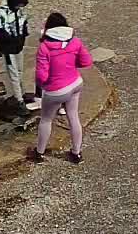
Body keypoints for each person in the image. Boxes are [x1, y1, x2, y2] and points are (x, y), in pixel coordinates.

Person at [29, 13, 94, 164]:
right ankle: (76, 153)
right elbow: (86, 61)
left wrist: (45, 86)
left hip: (56, 90)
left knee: (46, 120)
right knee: (73, 117)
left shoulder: (45, 47)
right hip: (75, 84)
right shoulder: (75, 41)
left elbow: (41, 77)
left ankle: (39, 153)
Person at [0, 0, 34, 112]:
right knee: (13, 74)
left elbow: (23, 24)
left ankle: (22, 93)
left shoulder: (19, 11)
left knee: (20, 71)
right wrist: (9, 38)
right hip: (8, 49)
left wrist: (23, 35)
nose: (21, 7)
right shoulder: (2, 12)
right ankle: (19, 100)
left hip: (18, 46)